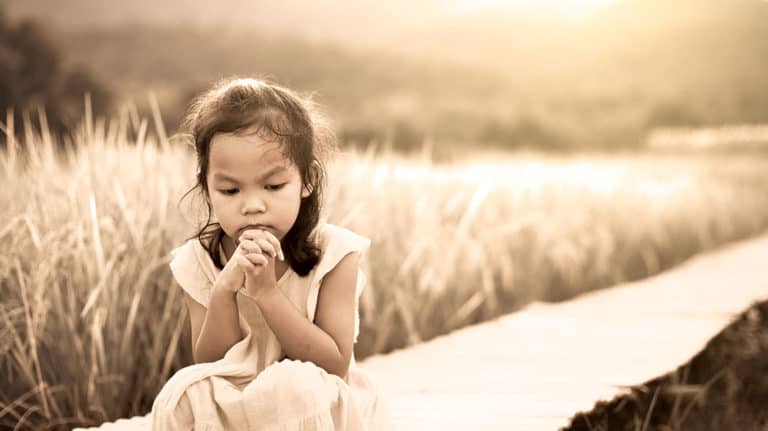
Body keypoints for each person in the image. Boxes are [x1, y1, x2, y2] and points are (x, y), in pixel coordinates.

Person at [150, 77, 389, 430]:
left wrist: (265, 293)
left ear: (306, 180)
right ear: (208, 189)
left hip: (315, 403)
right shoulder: (198, 260)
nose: (252, 206)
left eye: (273, 186)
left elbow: (333, 365)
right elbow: (209, 363)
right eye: (230, 190)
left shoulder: (335, 254)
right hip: (240, 397)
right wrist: (224, 291)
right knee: (183, 393)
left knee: (292, 385)